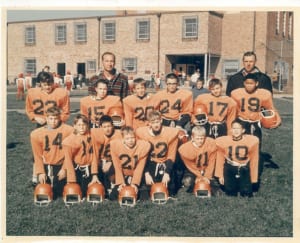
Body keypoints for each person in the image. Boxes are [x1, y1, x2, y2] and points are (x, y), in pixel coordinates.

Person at [230, 73, 281, 177]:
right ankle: (239, 168)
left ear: (257, 83)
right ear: (244, 83)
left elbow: (270, 108)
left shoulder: (264, 94)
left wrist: (278, 118)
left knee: (255, 147)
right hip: (241, 122)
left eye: (251, 83)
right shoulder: (236, 93)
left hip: (255, 123)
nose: (249, 85)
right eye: (247, 83)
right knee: (240, 146)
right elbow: (232, 109)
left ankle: (254, 172)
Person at [30, 107, 74, 199]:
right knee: (44, 190)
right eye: (51, 118)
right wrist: (40, 172)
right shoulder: (36, 134)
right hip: (46, 165)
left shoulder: (69, 130)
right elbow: (37, 156)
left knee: (60, 192)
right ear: (46, 118)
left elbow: (70, 153)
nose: (53, 121)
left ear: (60, 118)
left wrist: (65, 169)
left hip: (61, 165)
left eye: (56, 118)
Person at [135, 111, 179, 198]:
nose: (156, 125)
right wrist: (146, 173)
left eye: (157, 122)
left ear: (161, 121)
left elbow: (171, 155)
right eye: (153, 122)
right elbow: (143, 156)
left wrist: (167, 173)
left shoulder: (171, 133)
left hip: (166, 162)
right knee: (147, 190)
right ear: (149, 123)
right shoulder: (142, 133)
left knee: (171, 189)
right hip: (151, 162)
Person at [214, 120, 259, 197]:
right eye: (234, 128)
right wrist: (220, 175)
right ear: (230, 129)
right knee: (230, 192)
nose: (236, 131)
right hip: (229, 167)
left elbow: (254, 160)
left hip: (244, 167)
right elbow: (220, 158)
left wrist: (253, 178)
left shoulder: (251, 141)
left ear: (243, 130)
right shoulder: (223, 141)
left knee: (246, 193)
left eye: (238, 128)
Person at [63, 114, 101, 198]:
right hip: (77, 169)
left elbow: (94, 155)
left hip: (90, 168)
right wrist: (71, 180)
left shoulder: (92, 136)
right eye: (79, 125)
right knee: (76, 192)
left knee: (93, 191)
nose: (82, 127)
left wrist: (95, 174)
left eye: (84, 125)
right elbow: (68, 161)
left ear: (87, 125)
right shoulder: (69, 141)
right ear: (74, 126)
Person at [109, 126, 151, 200]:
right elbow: (117, 166)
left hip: (135, 174)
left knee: (144, 196)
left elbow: (140, 167)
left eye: (132, 138)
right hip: (123, 175)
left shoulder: (142, 147)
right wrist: (120, 183)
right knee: (113, 196)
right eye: (127, 138)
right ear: (123, 140)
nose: (130, 140)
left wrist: (134, 183)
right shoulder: (115, 146)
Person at [178, 126, 217, 194]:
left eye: (202, 138)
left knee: (215, 183)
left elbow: (211, 161)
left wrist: (207, 176)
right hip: (193, 170)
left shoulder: (210, 143)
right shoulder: (185, 148)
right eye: (197, 138)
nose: (200, 141)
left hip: (207, 168)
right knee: (187, 182)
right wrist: (200, 176)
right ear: (192, 138)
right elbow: (190, 165)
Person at [91, 115, 122, 196]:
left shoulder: (119, 134)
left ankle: (113, 184)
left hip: (114, 160)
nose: (107, 129)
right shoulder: (95, 134)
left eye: (109, 126)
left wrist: (110, 161)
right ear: (100, 127)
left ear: (112, 125)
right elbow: (95, 154)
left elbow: (121, 153)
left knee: (114, 167)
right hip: (100, 160)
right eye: (104, 127)